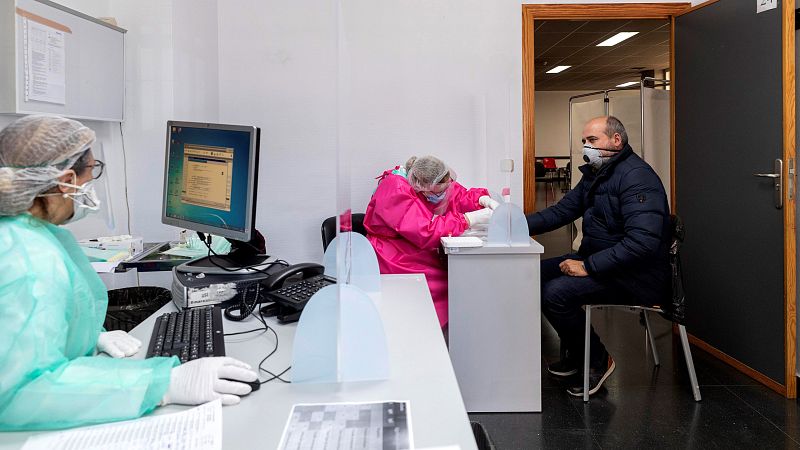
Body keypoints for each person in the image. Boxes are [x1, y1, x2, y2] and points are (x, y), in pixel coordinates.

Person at [0, 115, 258, 430]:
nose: (91, 184)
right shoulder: (29, 260)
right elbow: (18, 393)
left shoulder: (26, 233)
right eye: (91, 172)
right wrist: (162, 383)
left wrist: (84, 338)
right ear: (65, 181)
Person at [526, 116, 670, 397]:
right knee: (533, 276)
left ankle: (596, 360)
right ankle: (579, 354)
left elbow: (642, 243)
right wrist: (516, 225)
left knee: (556, 293)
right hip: (606, 261)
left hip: (637, 275)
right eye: (584, 141)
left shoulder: (636, 178)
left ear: (616, 140)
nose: (586, 147)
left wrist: (588, 266)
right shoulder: (598, 172)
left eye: (592, 140)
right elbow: (563, 211)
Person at [364, 155, 498, 328]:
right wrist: (467, 219)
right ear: (421, 187)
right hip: (392, 256)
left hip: (409, 248)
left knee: (453, 276)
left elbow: (453, 194)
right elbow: (425, 230)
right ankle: (428, 332)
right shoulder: (395, 190)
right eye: (437, 191)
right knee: (442, 282)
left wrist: (480, 199)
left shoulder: (425, 180)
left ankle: (450, 331)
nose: (442, 193)